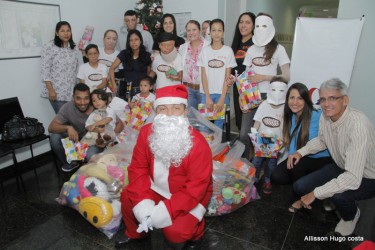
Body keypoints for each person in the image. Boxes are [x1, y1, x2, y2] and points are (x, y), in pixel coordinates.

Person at [116, 84, 213, 249]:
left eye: (176, 108)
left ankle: (196, 232)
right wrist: (144, 206)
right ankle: (136, 233)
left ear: (185, 111)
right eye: (162, 109)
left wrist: (165, 211)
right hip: (156, 189)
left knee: (175, 232)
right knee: (128, 197)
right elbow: (138, 169)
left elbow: (195, 188)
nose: (169, 115)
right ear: (156, 112)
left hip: (189, 195)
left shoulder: (199, 144)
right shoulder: (146, 133)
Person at [288, 78, 375, 236]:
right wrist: (300, 152)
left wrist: (316, 193)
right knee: (300, 187)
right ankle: (332, 194)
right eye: (322, 99)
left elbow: (353, 178)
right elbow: (322, 141)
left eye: (333, 98)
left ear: (345, 100)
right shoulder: (325, 116)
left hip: (367, 176)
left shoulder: (358, 126)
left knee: (339, 196)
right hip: (340, 166)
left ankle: (351, 216)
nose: (326, 104)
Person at [270, 83, 332, 211]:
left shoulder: (317, 116)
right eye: (292, 98)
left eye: (300, 98)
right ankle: (308, 183)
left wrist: (293, 158)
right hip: (302, 157)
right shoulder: (291, 116)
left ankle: (302, 195)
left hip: (321, 159)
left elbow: (323, 141)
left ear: (306, 100)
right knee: (276, 176)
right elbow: (292, 142)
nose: (295, 102)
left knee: (295, 165)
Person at [241, 13, 290, 160]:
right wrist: (241, 98)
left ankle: (263, 168)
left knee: (266, 134)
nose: (261, 28)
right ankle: (245, 164)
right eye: (258, 25)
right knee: (244, 134)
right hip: (251, 96)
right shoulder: (251, 50)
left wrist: (264, 78)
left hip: (271, 97)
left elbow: (287, 76)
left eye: (264, 25)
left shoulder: (279, 49)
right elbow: (245, 76)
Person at [48, 84, 123, 172]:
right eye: (78, 98)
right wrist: (68, 127)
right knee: (54, 138)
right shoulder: (67, 107)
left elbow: (120, 123)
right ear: (73, 98)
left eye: (86, 98)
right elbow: (51, 127)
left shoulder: (99, 106)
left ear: (90, 98)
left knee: (90, 155)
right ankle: (72, 163)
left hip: (96, 140)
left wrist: (108, 140)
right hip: (78, 139)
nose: (83, 102)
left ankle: (95, 168)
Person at [198, 19, 237, 129]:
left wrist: (222, 98)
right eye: (214, 30)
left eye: (219, 30)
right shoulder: (205, 51)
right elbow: (203, 75)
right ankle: (206, 146)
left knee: (218, 127)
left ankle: (216, 146)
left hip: (221, 95)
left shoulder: (228, 51)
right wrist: (207, 97)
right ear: (210, 32)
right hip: (206, 95)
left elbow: (227, 77)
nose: (216, 33)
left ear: (223, 32)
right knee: (204, 126)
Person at [251, 77, 288, 194]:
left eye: (281, 91)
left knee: (272, 164)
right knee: (256, 162)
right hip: (261, 141)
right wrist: (254, 137)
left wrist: (283, 142)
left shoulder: (286, 108)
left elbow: (286, 128)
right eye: (274, 90)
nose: (277, 94)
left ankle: (267, 179)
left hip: (276, 143)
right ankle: (254, 178)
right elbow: (256, 123)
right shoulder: (263, 105)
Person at [41, 21, 82, 114]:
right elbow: (45, 70)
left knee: (73, 119)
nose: (66, 33)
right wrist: (51, 90)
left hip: (71, 92)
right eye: (62, 31)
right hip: (56, 92)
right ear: (57, 33)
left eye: (68, 30)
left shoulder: (74, 48)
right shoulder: (49, 47)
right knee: (62, 121)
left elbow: (78, 70)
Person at [230, 12, 256, 157]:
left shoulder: (256, 44)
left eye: (247, 22)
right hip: (237, 88)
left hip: (251, 90)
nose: (243, 25)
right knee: (240, 123)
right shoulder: (236, 44)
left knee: (247, 130)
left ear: (253, 25)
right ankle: (244, 159)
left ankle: (248, 160)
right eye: (241, 22)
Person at [109, 29, 152, 98]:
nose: (134, 42)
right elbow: (111, 68)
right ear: (128, 42)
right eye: (131, 40)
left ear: (140, 41)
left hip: (142, 91)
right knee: (126, 108)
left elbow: (148, 73)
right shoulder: (124, 53)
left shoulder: (147, 55)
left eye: (136, 39)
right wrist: (114, 84)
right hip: (127, 90)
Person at [179, 20, 210, 109]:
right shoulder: (183, 48)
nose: (191, 33)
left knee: (204, 118)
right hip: (188, 90)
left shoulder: (208, 46)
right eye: (188, 30)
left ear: (199, 30)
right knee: (190, 118)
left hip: (203, 89)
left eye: (194, 30)